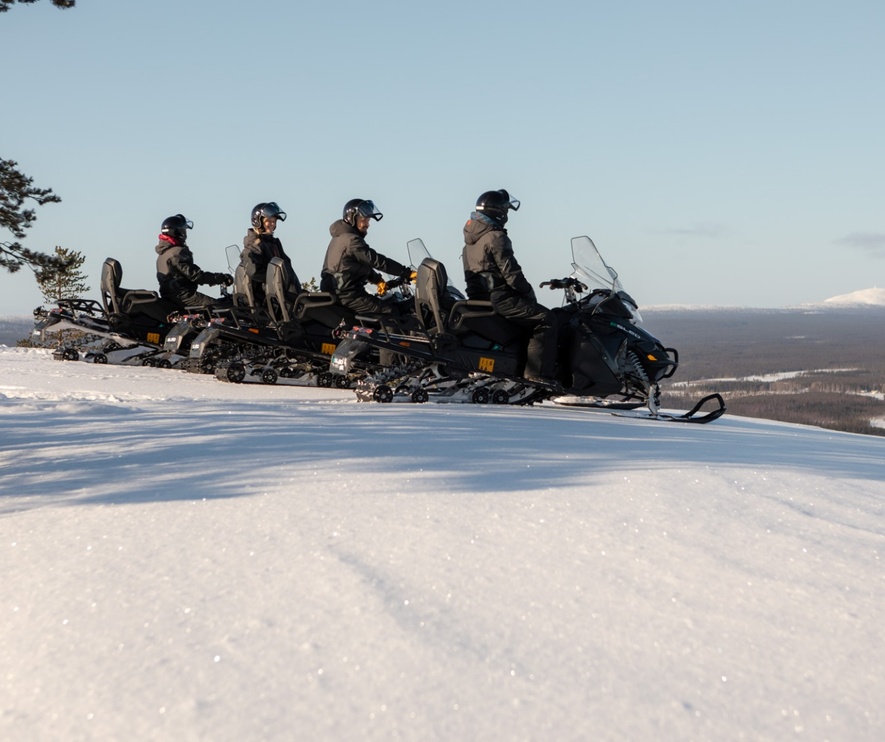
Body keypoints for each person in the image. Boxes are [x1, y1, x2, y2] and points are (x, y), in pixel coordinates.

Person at [461, 189, 559, 383]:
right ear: (499, 212)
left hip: (479, 297)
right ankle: (536, 375)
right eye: (506, 209)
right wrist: (527, 292)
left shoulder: (471, 240)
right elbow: (512, 274)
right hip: (500, 298)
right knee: (547, 319)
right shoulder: (496, 237)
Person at [320, 198, 414, 317]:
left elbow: (356, 266)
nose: (367, 224)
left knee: (387, 303)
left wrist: (377, 280)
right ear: (351, 218)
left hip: (342, 292)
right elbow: (375, 260)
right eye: (364, 220)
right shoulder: (351, 240)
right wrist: (406, 272)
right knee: (390, 312)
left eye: (368, 220)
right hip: (347, 295)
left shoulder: (342, 237)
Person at [155, 214, 233, 310]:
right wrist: (220, 278)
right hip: (184, 297)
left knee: (217, 305)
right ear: (178, 232)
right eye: (184, 230)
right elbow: (196, 276)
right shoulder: (177, 253)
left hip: (170, 297)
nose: (185, 233)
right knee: (225, 309)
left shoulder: (162, 254)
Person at [239, 201, 300, 307]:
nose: (273, 224)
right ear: (258, 221)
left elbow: (287, 269)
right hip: (272, 299)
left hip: (286, 295)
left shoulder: (273, 243)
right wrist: (276, 280)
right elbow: (253, 271)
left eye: (274, 221)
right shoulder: (254, 244)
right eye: (269, 221)